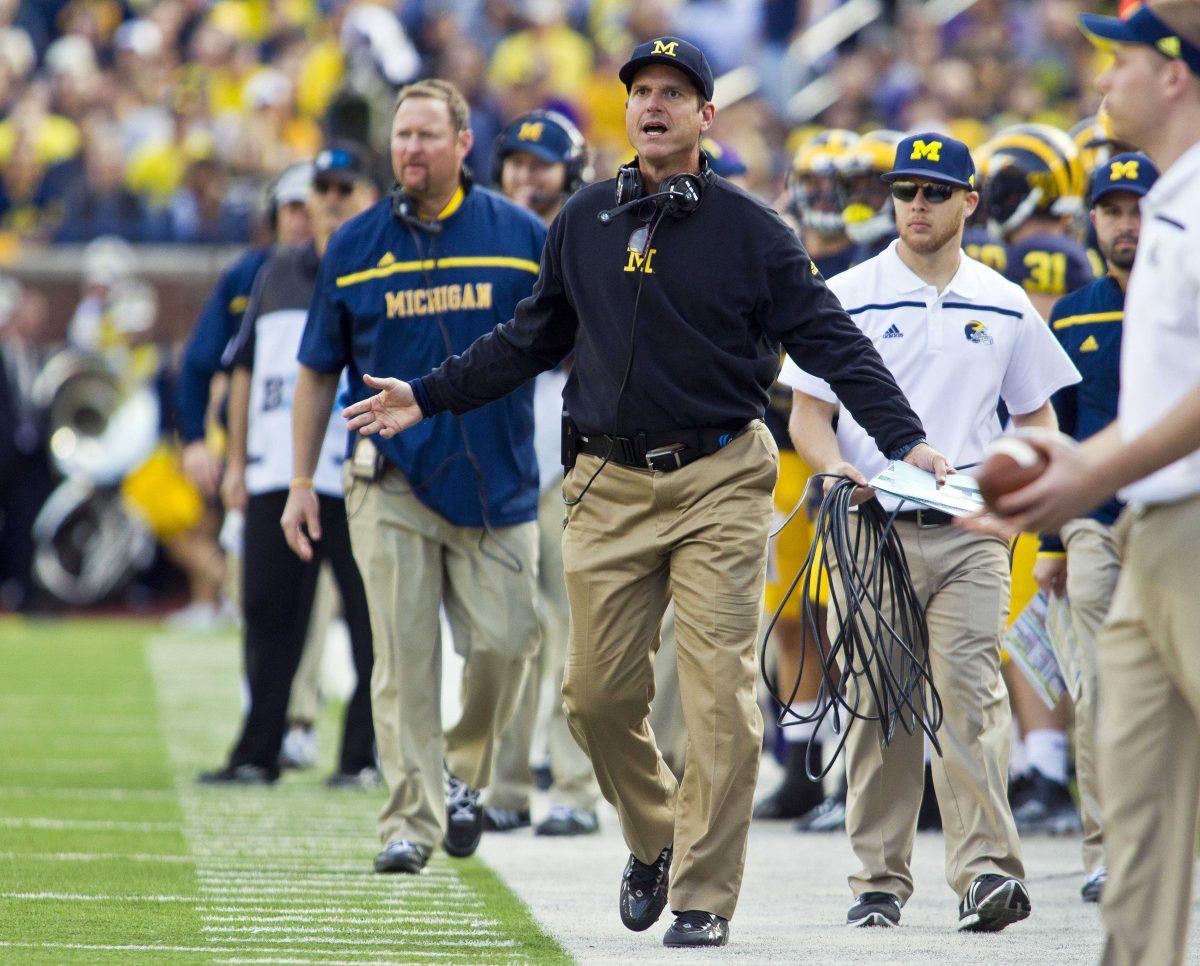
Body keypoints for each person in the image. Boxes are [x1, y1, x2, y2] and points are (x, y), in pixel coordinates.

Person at [342, 37, 942, 948]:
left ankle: (703, 896)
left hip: (719, 482)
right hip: (607, 485)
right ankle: (655, 834)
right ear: (626, 113)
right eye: (641, 92)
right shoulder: (582, 220)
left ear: (707, 116)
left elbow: (832, 341)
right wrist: (424, 395)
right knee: (592, 698)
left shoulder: (753, 232)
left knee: (719, 703)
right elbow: (529, 338)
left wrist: (907, 438)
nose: (654, 104)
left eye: (675, 92)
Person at [782, 133, 1080, 932]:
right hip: (870, 521)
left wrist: (1016, 492)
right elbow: (809, 414)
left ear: (969, 203)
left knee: (971, 694)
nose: (917, 203)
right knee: (880, 699)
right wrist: (834, 470)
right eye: (906, 189)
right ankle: (879, 879)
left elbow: (1037, 414)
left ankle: (985, 871)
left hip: (972, 530)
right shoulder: (843, 291)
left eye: (935, 191)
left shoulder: (1003, 299)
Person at [981, 4, 1200, 961]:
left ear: (1176, 74)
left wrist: (1088, 471)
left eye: (1120, 59)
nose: (1102, 78)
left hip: (1190, 524)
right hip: (1147, 526)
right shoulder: (1171, 207)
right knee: (1131, 785)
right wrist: (1077, 467)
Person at [290, 79, 547, 875]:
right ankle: (408, 820)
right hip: (388, 478)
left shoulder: (522, 235)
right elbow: (314, 371)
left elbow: (574, 342)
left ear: (465, 145)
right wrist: (302, 481)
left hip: (497, 479)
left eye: (428, 136)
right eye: (402, 136)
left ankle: (461, 771)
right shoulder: (355, 244)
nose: (411, 150)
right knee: (401, 659)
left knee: (510, 644)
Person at [198, 146, 380, 787]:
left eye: (341, 187)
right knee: (269, 616)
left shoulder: (383, 267)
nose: (327, 200)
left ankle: (364, 755)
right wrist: (237, 462)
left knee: (371, 622)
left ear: (368, 197)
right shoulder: (275, 270)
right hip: (281, 470)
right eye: (316, 191)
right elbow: (244, 369)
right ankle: (257, 751)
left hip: (360, 472)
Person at [1032, 150, 1158, 904]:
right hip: (1095, 522)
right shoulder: (1075, 312)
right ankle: (1106, 848)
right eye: (1112, 210)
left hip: (1177, 512)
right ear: (1092, 221)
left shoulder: (1188, 296)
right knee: (1101, 686)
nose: (1126, 224)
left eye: (1138, 208)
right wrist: (1051, 541)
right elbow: (1063, 433)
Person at [483, 108, 603, 838]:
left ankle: (573, 787)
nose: (527, 174)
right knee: (502, 628)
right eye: (517, 161)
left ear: (572, 171)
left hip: (570, 444)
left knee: (573, 627)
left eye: (542, 163)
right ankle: (501, 783)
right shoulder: (482, 238)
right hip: (499, 442)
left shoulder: (591, 231)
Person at [176, 163, 313, 500]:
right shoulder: (245, 277)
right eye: (293, 209)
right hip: (253, 451)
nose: (302, 221)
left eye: (312, 211)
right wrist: (195, 440)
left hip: (326, 447)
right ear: (274, 215)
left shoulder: (345, 274)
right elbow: (197, 361)